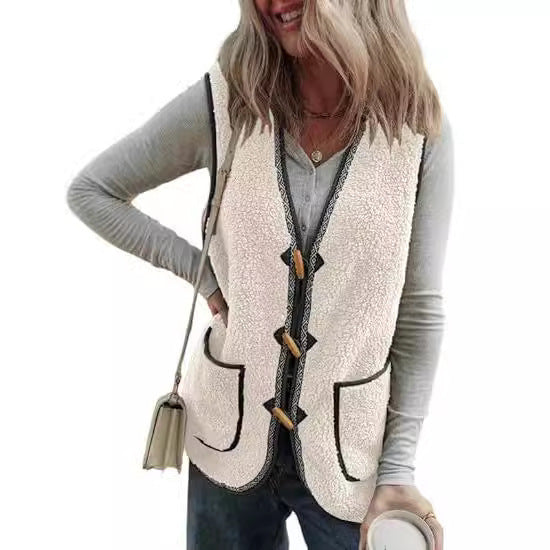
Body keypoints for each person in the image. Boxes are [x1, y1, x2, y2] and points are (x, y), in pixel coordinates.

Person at [66, 1, 453, 549]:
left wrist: (398, 469)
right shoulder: (229, 101)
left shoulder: (416, 131)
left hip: (351, 460)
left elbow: (419, 311)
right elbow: (93, 191)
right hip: (226, 436)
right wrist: (203, 274)